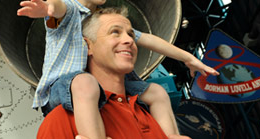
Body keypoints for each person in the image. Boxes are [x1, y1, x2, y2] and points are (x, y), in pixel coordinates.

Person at [17, 0, 218, 139]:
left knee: (157, 91)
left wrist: (189, 58)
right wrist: (47, 8)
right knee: (85, 83)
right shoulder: (68, 10)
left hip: (91, 87)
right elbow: (58, 5)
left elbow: (148, 39)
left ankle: (170, 134)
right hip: (64, 87)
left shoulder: (99, 19)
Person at [37, 7, 190, 139]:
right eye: (115, 32)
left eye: (131, 34)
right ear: (88, 46)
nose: (129, 40)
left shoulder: (152, 116)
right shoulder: (62, 119)